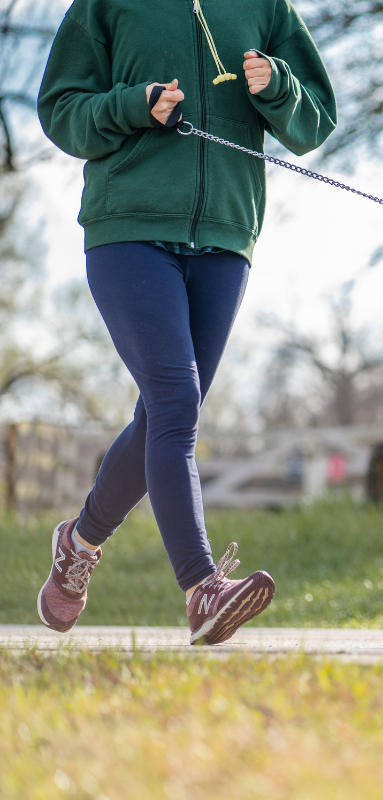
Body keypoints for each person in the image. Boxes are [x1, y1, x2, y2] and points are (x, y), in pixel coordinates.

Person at [35, 0, 337, 644]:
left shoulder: (264, 7)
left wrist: (278, 85)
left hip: (226, 238)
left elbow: (314, 122)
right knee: (176, 403)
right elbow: (61, 111)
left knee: (162, 414)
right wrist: (130, 105)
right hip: (129, 233)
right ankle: (204, 588)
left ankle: (79, 542)